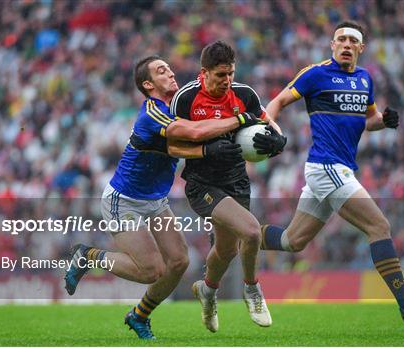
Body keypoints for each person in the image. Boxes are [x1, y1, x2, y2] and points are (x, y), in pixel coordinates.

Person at [258, 21, 404, 325]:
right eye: (341, 40)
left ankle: (238, 236)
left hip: (338, 168)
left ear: (361, 48)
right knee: (379, 226)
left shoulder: (365, 79)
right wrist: (270, 128)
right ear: (332, 45)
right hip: (326, 167)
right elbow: (278, 101)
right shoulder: (315, 73)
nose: (346, 45)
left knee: (293, 241)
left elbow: (369, 119)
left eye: (352, 41)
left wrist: (384, 120)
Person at [64, 55, 261, 340]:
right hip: (125, 199)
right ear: (148, 84)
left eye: (168, 68)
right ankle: (88, 256)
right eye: (161, 71)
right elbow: (193, 133)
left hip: (156, 200)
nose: (170, 72)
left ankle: (139, 315)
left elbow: (190, 139)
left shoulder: (180, 105)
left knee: (180, 262)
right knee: (151, 270)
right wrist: (240, 119)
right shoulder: (152, 113)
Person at [169, 41, 286, 332]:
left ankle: (207, 291)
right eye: (221, 75)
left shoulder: (244, 94)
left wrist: (278, 141)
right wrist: (207, 151)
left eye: (231, 73)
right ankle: (253, 290)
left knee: (226, 250)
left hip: (236, 180)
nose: (227, 80)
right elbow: (170, 146)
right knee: (250, 231)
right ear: (204, 73)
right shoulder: (186, 98)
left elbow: (269, 124)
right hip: (201, 183)